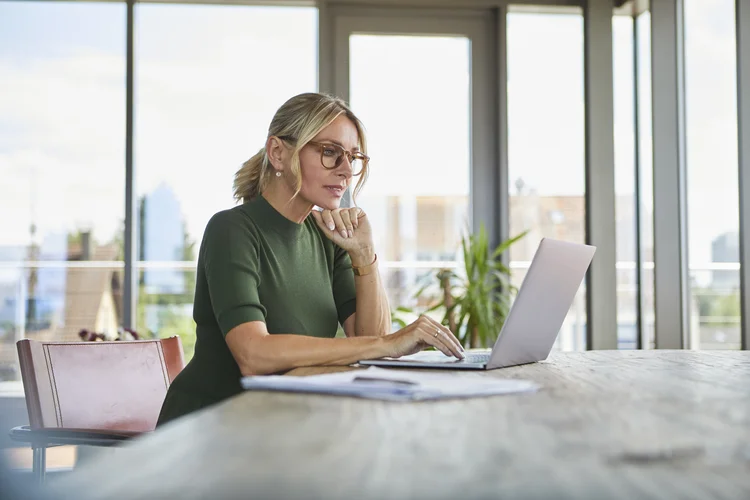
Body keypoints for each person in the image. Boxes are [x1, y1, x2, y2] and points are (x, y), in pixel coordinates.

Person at [156, 92, 464, 425]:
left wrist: (364, 255)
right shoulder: (232, 230)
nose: (346, 170)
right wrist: (387, 344)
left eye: (353, 157)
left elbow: (369, 339)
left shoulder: (326, 236)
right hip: (211, 426)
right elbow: (253, 354)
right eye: (331, 153)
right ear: (278, 153)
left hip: (286, 421)